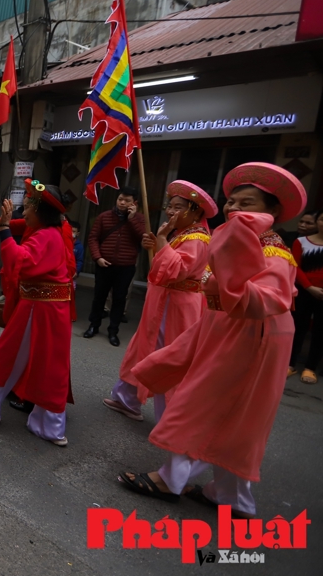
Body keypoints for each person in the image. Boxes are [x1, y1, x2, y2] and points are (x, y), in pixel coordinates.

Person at [120, 163, 305, 517]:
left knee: (202, 402)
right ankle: (230, 496)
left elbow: (262, 300)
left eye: (246, 203)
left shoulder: (272, 251)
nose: (235, 209)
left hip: (250, 336)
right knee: (234, 413)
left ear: (273, 212)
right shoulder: (238, 239)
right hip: (219, 326)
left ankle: (171, 479)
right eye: (232, 202)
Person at [0, 180, 73, 446]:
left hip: (40, 308)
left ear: (39, 209)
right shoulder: (47, 228)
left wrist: (1, 228)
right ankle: (49, 426)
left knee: (7, 354)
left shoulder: (46, 235)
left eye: (30, 204)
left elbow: (20, 261)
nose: (24, 208)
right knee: (50, 366)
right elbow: (6, 224)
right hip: (48, 308)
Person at [103, 181, 215, 423]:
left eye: (178, 208)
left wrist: (162, 240)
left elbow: (176, 271)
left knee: (165, 358)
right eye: (170, 206)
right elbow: (161, 270)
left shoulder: (197, 238)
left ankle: (171, 419)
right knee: (143, 347)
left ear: (195, 211)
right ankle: (127, 399)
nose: (171, 212)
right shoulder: (183, 233)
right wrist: (157, 246)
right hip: (165, 301)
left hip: (176, 306)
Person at [83, 186, 146, 346]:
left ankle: (113, 331)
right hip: (104, 264)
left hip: (126, 266)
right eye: (120, 199)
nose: (122, 203)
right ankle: (93, 325)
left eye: (127, 200)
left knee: (119, 299)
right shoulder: (104, 217)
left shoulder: (140, 219)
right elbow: (93, 238)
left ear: (134, 203)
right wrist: (97, 258)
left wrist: (132, 219)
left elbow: (143, 238)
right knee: (99, 297)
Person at [289, 210, 323, 384]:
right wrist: (310, 287)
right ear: (317, 222)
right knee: (297, 327)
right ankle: (290, 363)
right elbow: (295, 266)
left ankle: (310, 368)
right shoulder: (301, 242)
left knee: (319, 331)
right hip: (304, 291)